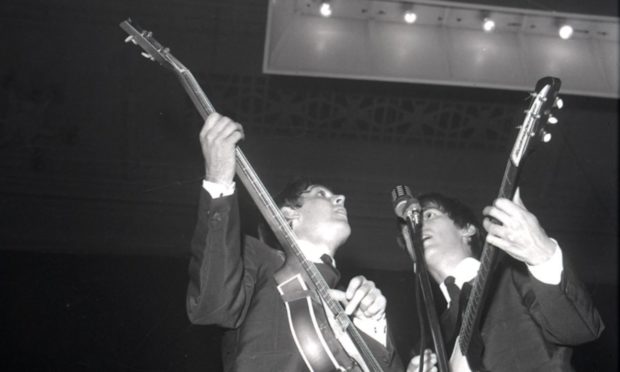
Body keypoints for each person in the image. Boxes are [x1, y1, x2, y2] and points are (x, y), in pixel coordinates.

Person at [185, 112, 437, 372]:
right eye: (321, 194)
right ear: (289, 214)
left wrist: (373, 324)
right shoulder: (258, 260)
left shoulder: (351, 302)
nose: (340, 197)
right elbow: (212, 306)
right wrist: (218, 181)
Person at [414, 190, 604, 372]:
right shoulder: (427, 344)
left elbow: (580, 329)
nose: (416, 226)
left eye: (429, 215)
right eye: (409, 227)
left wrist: (543, 255)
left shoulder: (513, 273)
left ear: (467, 229)